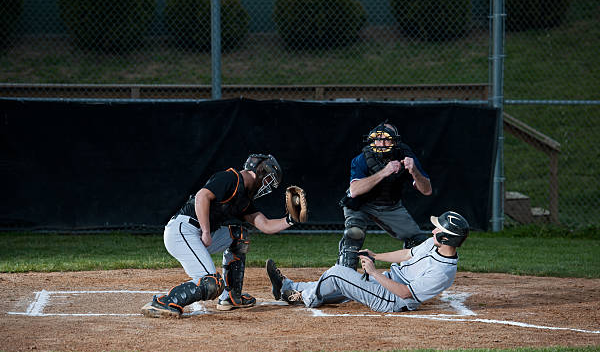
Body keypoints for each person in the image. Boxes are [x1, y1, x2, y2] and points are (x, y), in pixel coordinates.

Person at [142, 154, 298, 318]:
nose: (266, 186)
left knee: (239, 236)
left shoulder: (243, 199)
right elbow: (202, 196)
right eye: (268, 180)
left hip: (197, 233)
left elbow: (265, 225)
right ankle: (164, 302)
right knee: (211, 283)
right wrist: (206, 231)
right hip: (183, 231)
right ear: (260, 172)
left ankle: (231, 297)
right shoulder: (230, 178)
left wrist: (291, 220)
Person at [266, 211, 469, 313]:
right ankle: (288, 287)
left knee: (339, 272)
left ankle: (302, 296)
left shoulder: (443, 272)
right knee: (341, 284)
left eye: (438, 230)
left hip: (392, 300)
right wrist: (376, 256)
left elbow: (406, 293)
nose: (433, 230)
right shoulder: (433, 244)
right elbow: (407, 254)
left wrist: (374, 273)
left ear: (446, 239)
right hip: (389, 281)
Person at [338, 121, 432, 270]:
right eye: (377, 139)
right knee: (354, 233)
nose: (380, 143)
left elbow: (427, 190)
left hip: (389, 206)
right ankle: (344, 272)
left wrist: (414, 171)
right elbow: (354, 190)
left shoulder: (406, 155)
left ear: (395, 141)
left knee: (418, 241)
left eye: (386, 139)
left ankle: (411, 273)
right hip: (361, 205)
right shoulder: (362, 158)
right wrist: (384, 172)